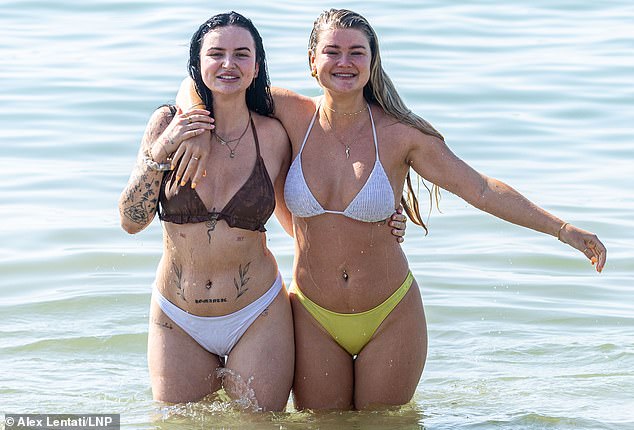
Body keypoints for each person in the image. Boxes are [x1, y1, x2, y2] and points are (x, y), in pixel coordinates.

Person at [175, 8, 607, 411]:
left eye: (356, 52)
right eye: (332, 51)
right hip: (312, 313)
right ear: (313, 60)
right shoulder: (291, 114)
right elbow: (206, 78)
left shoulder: (400, 135)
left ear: (372, 62)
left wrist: (562, 229)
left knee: (384, 423)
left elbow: (479, 188)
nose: (344, 61)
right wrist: (194, 123)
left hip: (390, 314)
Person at [118, 12, 295, 410]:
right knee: (178, 421)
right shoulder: (166, 122)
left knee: (259, 424)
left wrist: (381, 221)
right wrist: (162, 150)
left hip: (258, 313)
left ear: (256, 67)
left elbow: (305, 206)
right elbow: (131, 221)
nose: (228, 64)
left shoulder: (274, 136)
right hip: (176, 318)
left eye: (241, 54)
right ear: (197, 64)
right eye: (216, 53)